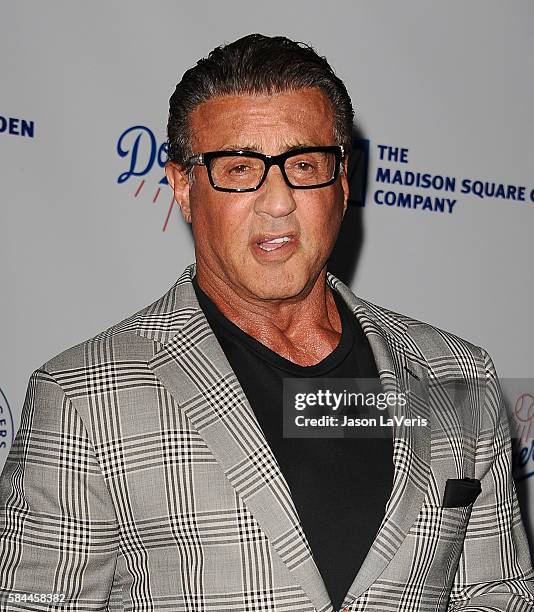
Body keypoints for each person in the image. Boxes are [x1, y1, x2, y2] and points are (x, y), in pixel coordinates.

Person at [1, 33, 533, 612]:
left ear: (344, 180)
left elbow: (497, 598)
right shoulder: (84, 396)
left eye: (304, 165)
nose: (277, 200)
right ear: (183, 187)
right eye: (239, 169)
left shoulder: (454, 374)